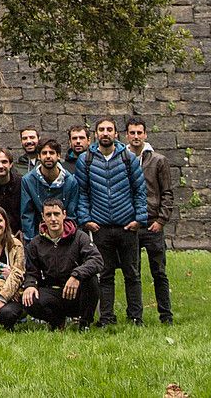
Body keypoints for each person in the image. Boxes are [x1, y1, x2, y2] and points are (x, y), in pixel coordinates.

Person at [75, 116, 148, 327]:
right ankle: (107, 317)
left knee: (132, 274)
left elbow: (139, 191)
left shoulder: (129, 158)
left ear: (116, 134)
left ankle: (136, 317)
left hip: (127, 225)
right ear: (95, 134)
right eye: (101, 129)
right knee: (104, 274)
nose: (105, 133)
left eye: (109, 129)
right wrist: (86, 219)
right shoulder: (86, 160)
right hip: (100, 227)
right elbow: (83, 192)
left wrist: (139, 219)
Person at [22, 199, 103, 331]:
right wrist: (30, 285)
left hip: (77, 291)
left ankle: (85, 324)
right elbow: (31, 272)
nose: (53, 219)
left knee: (92, 280)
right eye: (48, 215)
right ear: (43, 217)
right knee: (29, 298)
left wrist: (76, 275)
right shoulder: (35, 244)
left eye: (56, 214)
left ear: (64, 215)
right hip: (52, 292)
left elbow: (97, 260)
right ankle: (56, 321)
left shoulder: (79, 237)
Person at [126, 116, 175, 324]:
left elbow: (167, 193)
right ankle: (135, 316)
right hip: (131, 225)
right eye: (132, 133)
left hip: (153, 223)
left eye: (139, 132)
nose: (136, 136)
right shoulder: (122, 158)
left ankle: (166, 315)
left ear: (145, 134)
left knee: (159, 273)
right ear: (126, 135)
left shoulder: (158, 160)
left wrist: (161, 220)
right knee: (132, 273)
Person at [21, 138, 81, 241]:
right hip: (38, 237)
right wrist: (31, 242)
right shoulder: (28, 181)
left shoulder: (71, 182)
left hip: (64, 237)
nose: (48, 156)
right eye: (44, 153)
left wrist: (66, 239)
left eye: (51, 153)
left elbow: (71, 215)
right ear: (39, 156)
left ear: (58, 156)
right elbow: (27, 215)